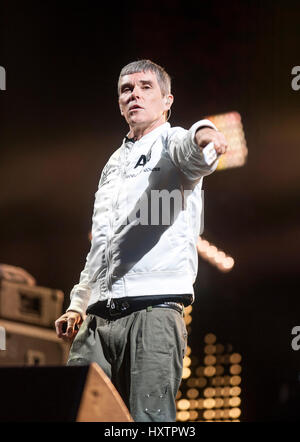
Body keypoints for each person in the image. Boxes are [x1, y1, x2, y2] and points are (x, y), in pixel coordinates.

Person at [55, 59, 227, 422]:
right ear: (119, 103)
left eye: (146, 86)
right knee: (76, 410)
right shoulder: (113, 163)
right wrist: (78, 303)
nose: (135, 94)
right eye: (126, 89)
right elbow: (101, 243)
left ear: (167, 100)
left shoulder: (171, 141)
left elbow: (193, 148)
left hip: (154, 311)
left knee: (149, 421)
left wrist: (207, 134)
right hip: (99, 318)